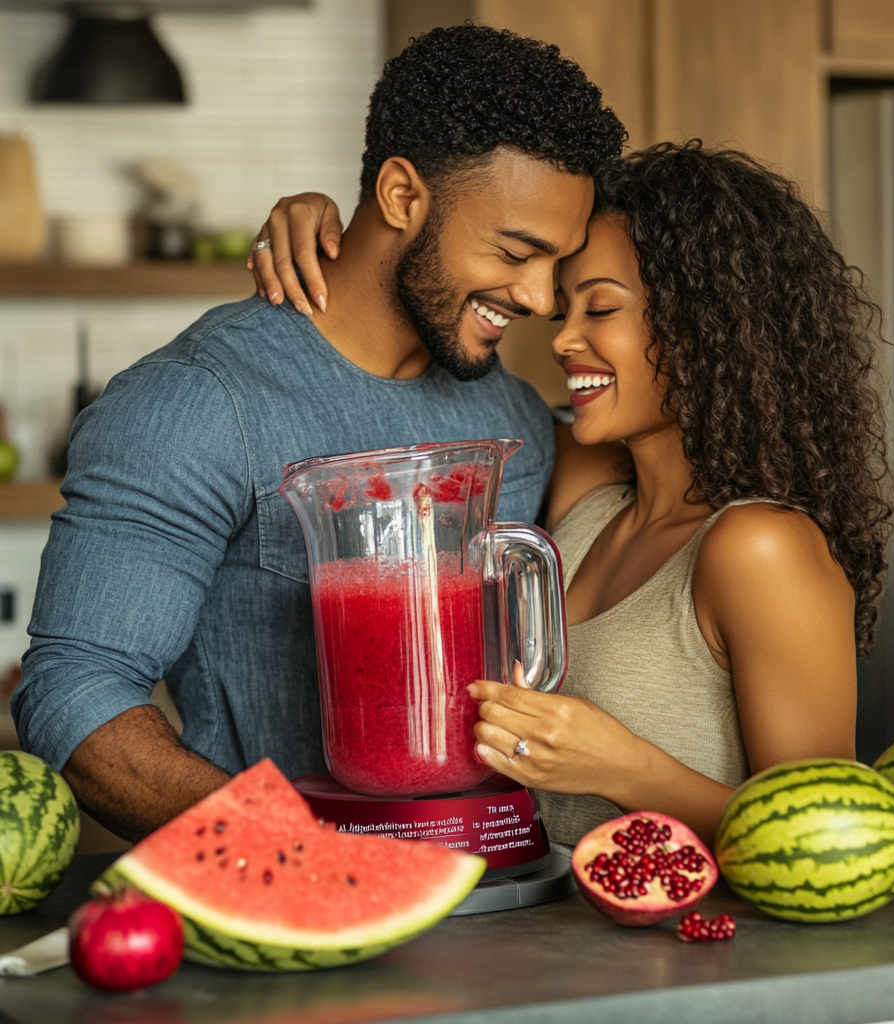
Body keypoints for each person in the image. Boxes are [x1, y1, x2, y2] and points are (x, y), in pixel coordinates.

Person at [11, 25, 625, 842]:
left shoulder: (515, 417)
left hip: (514, 905)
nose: (543, 298)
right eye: (517, 251)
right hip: (286, 919)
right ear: (402, 197)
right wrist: (300, 856)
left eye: (560, 264)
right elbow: (76, 688)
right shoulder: (201, 402)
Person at [265, 142, 893, 846]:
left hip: (699, 949)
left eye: (600, 309)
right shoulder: (585, 487)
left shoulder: (760, 547)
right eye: (565, 309)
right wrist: (332, 235)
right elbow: (417, 357)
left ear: (705, 328)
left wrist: (624, 768)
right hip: (558, 941)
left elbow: (830, 835)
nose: (563, 339)